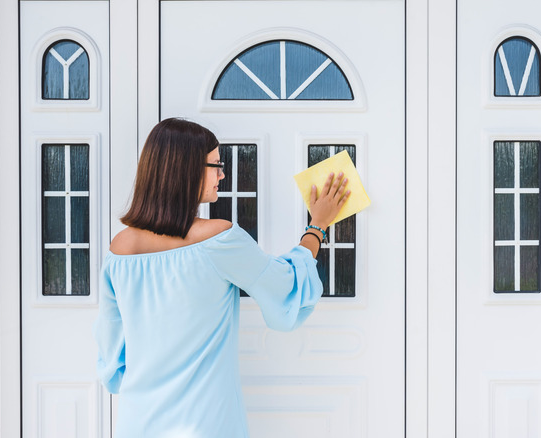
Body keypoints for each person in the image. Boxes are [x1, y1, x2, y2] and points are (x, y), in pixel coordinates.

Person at [93, 118, 350, 437]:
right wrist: (318, 226)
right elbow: (285, 288)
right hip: (205, 424)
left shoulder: (119, 251)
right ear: (184, 169)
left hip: (138, 423)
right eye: (216, 164)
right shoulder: (219, 240)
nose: (222, 174)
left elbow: (111, 355)